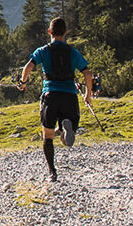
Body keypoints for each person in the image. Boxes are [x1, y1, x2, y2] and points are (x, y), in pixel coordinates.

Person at [16, 17, 92, 182]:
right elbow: (87, 73)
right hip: (69, 96)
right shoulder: (73, 52)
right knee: (67, 139)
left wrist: (23, 83)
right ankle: (65, 128)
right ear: (65, 33)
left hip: (51, 95)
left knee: (47, 136)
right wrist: (88, 94)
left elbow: (28, 66)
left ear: (49, 32)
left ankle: (52, 172)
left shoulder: (43, 51)